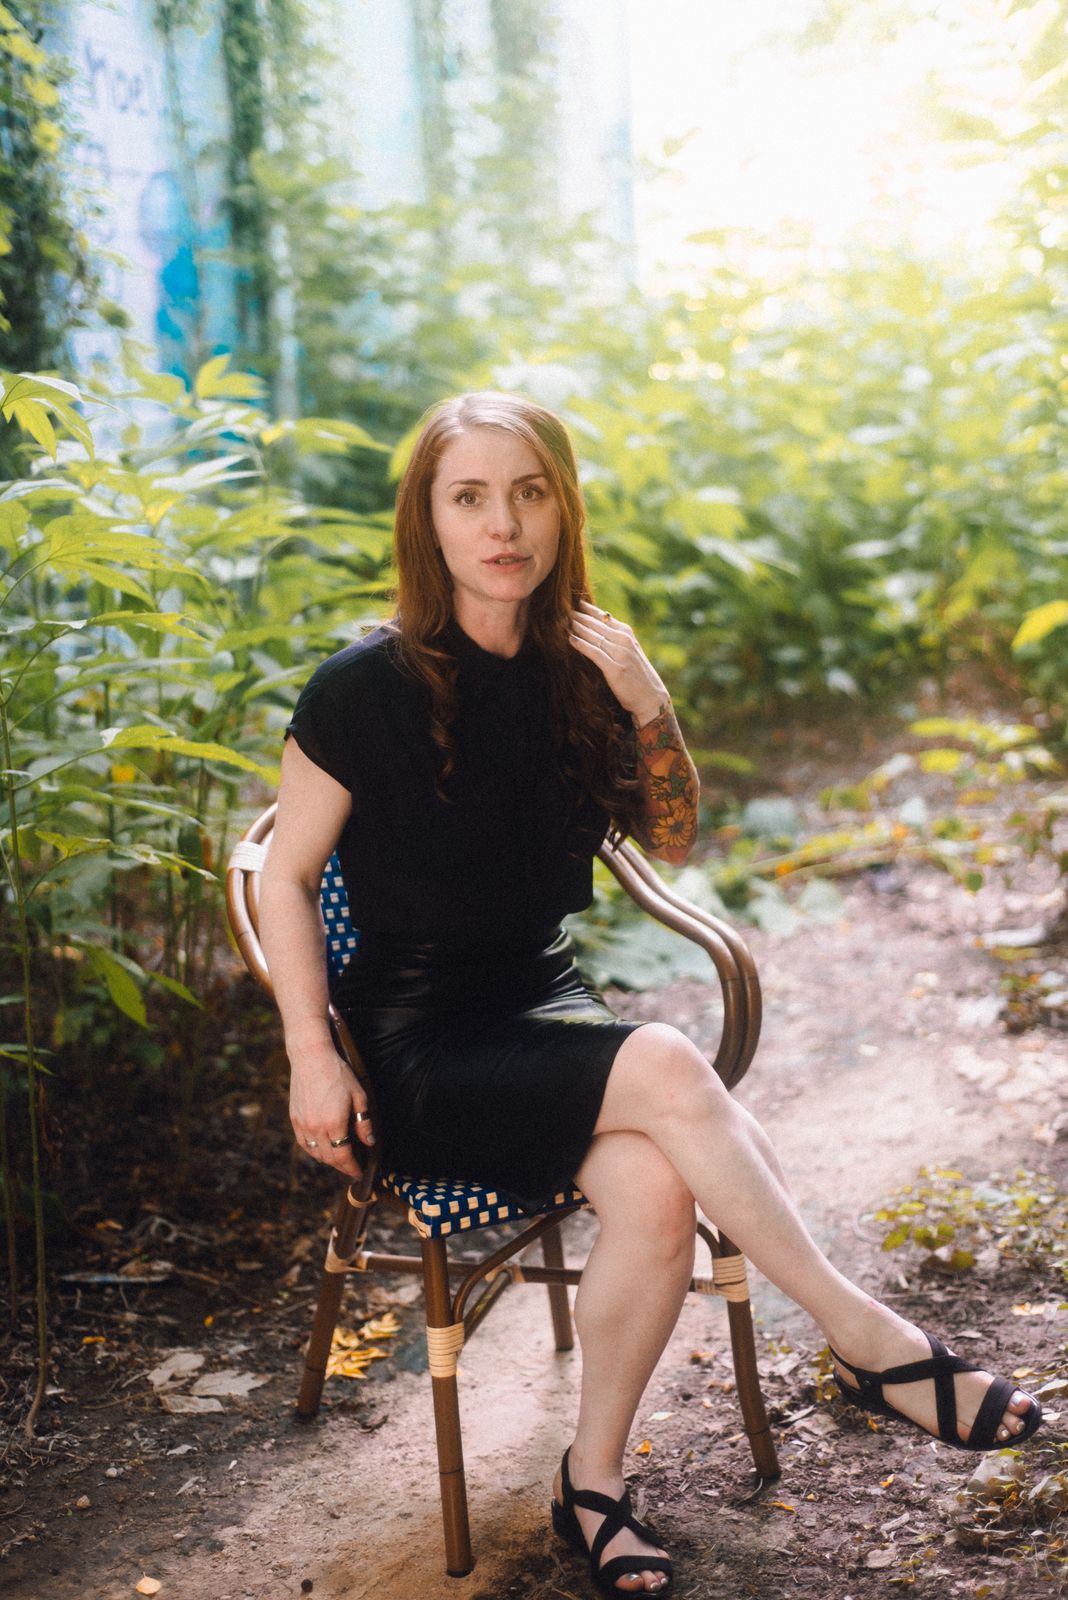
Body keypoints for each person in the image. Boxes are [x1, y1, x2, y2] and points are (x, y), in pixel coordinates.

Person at [259, 392, 1042, 1598]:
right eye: (470, 497)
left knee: (659, 1188)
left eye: (529, 493)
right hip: (417, 1047)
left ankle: (591, 1485)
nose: (503, 524)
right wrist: (311, 1054)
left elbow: (670, 837)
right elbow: (287, 876)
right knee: (669, 1061)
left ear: (562, 509)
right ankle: (869, 1341)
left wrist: (647, 697)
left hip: (543, 1006)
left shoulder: (580, 669)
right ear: (428, 519)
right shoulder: (361, 688)